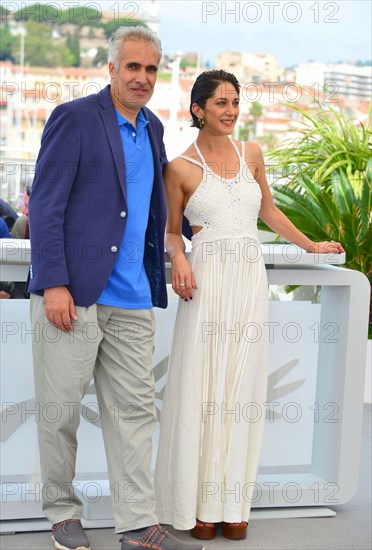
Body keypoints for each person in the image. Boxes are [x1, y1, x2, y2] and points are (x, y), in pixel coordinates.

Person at [28, 26, 203, 550]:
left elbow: (150, 209)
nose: (142, 78)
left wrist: (188, 242)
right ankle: (61, 512)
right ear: (111, 68)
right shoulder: (75, 118)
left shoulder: (151, 127)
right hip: (75, 295)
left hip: (132, 297)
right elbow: (47, 204)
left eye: (151, 69)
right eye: (133, 67)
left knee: (134, 415)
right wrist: (54, 282)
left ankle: (137, 523)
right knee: (60, 411)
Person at [154, 70, 345, 541]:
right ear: (198, 109)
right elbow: (170, 230)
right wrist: (178, 258)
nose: (231, 110)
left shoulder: (251, 154)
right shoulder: (179, 167)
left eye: (235, 102)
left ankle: (232, 504)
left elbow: (269, 211)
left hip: (248, 282)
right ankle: (196, 506)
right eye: (220, 102)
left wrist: (309, 246)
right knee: (205, 388)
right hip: (208, 282)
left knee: (241, 391)